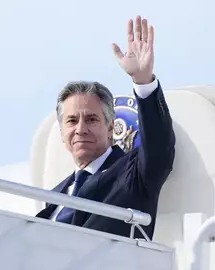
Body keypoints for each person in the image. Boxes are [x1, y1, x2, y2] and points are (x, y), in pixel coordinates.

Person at [36, 16, 175, 240]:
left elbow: (159, 147)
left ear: (110, 128)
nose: (80, 129)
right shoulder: (55, 195)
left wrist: (143, 81)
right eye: (72, 121)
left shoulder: (131, 174)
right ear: (62, 133)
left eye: (91, 119)